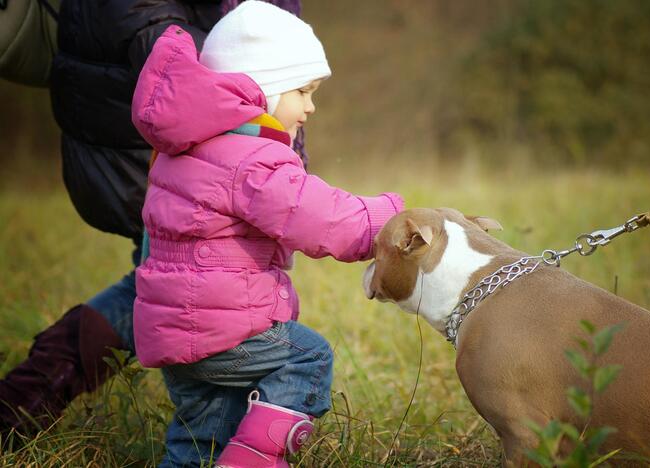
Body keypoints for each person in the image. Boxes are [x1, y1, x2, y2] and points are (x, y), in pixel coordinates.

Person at [0, 0, 302, 439]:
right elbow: (158, 37)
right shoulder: (163, 30)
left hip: (172, 138)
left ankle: (29, 395)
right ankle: (211, 439)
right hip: (160, 142)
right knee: (188, 287)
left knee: (162, 283)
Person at [130, 2, 404, 466]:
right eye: (303, 90)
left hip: (176, 337)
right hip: (224, 333)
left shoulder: (182, 150)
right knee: (307, 356)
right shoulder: (252, 158)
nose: (310, 106)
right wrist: (389, 219)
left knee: (203, 438)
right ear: (264, 88)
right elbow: (321, 219)